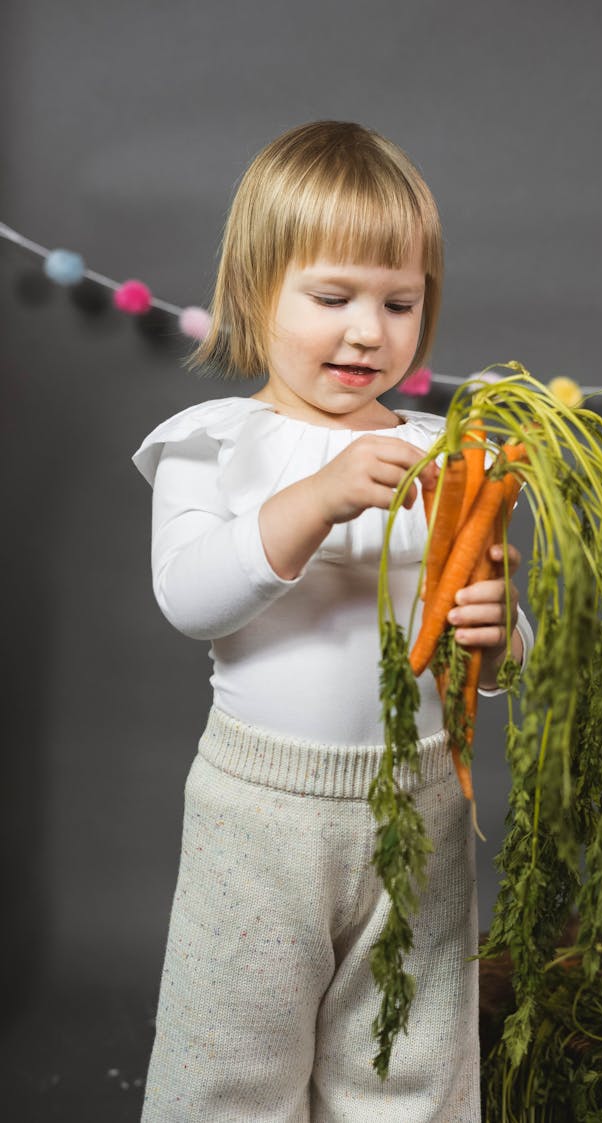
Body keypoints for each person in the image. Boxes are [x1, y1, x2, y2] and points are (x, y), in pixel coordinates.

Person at [132, 120, 533, 1123]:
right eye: (333, 297)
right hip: (262, 813)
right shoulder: (214, 443)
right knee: (232, 1053)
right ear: (256, 288)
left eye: (400, 303)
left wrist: (499, 637)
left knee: (412, 1052)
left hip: (425, 799)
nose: (369, 331)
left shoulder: (446, 449)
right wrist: (318, 497)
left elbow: (482, 642)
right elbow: (190, 597)